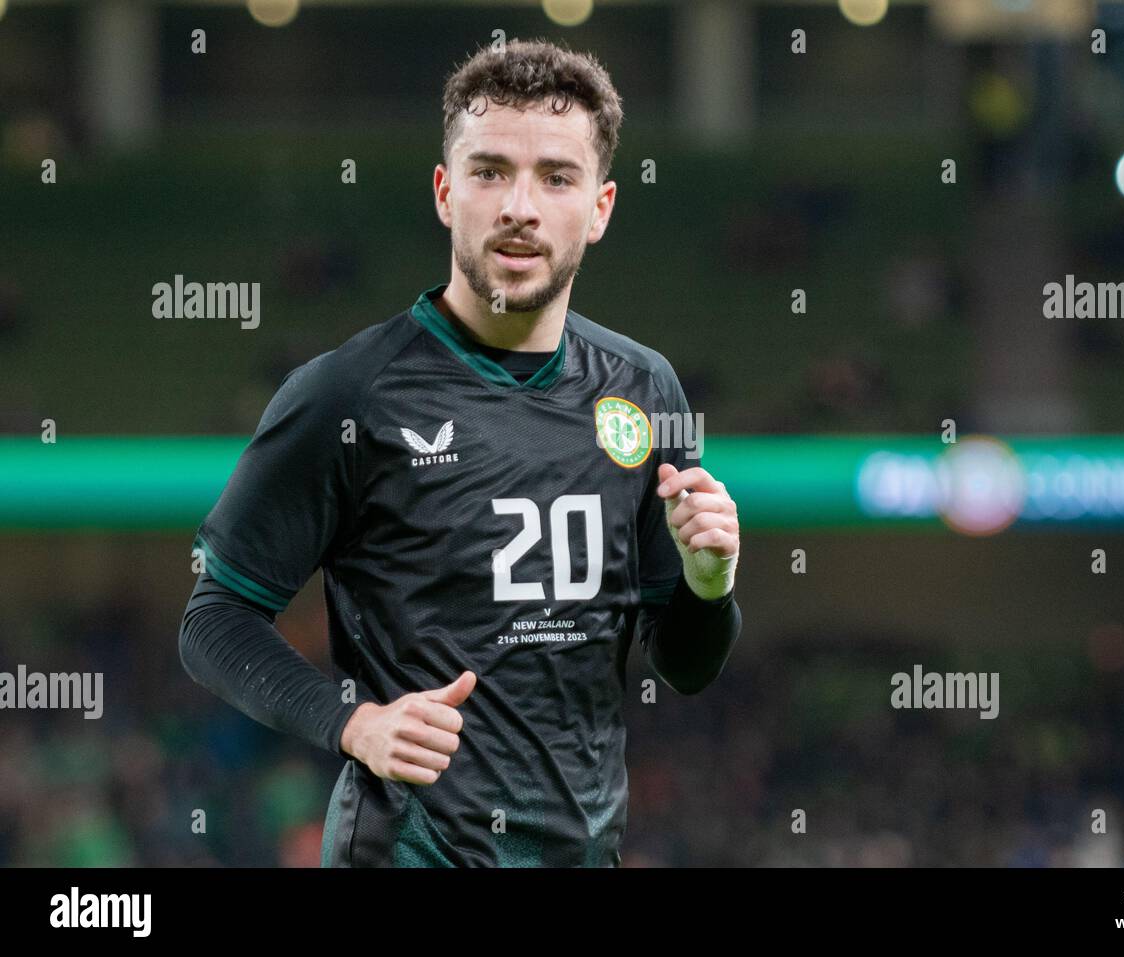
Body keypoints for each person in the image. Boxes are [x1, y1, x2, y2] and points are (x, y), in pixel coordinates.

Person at [178, 38, 742, 867]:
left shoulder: (645, 388)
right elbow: (214, 619)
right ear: (446, 193)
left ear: (601, 207)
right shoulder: (347, 395)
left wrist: (708, 583)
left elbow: (685, 665)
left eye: (556, 176)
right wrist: (355, 721)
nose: (521, 205)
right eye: (489, 171)